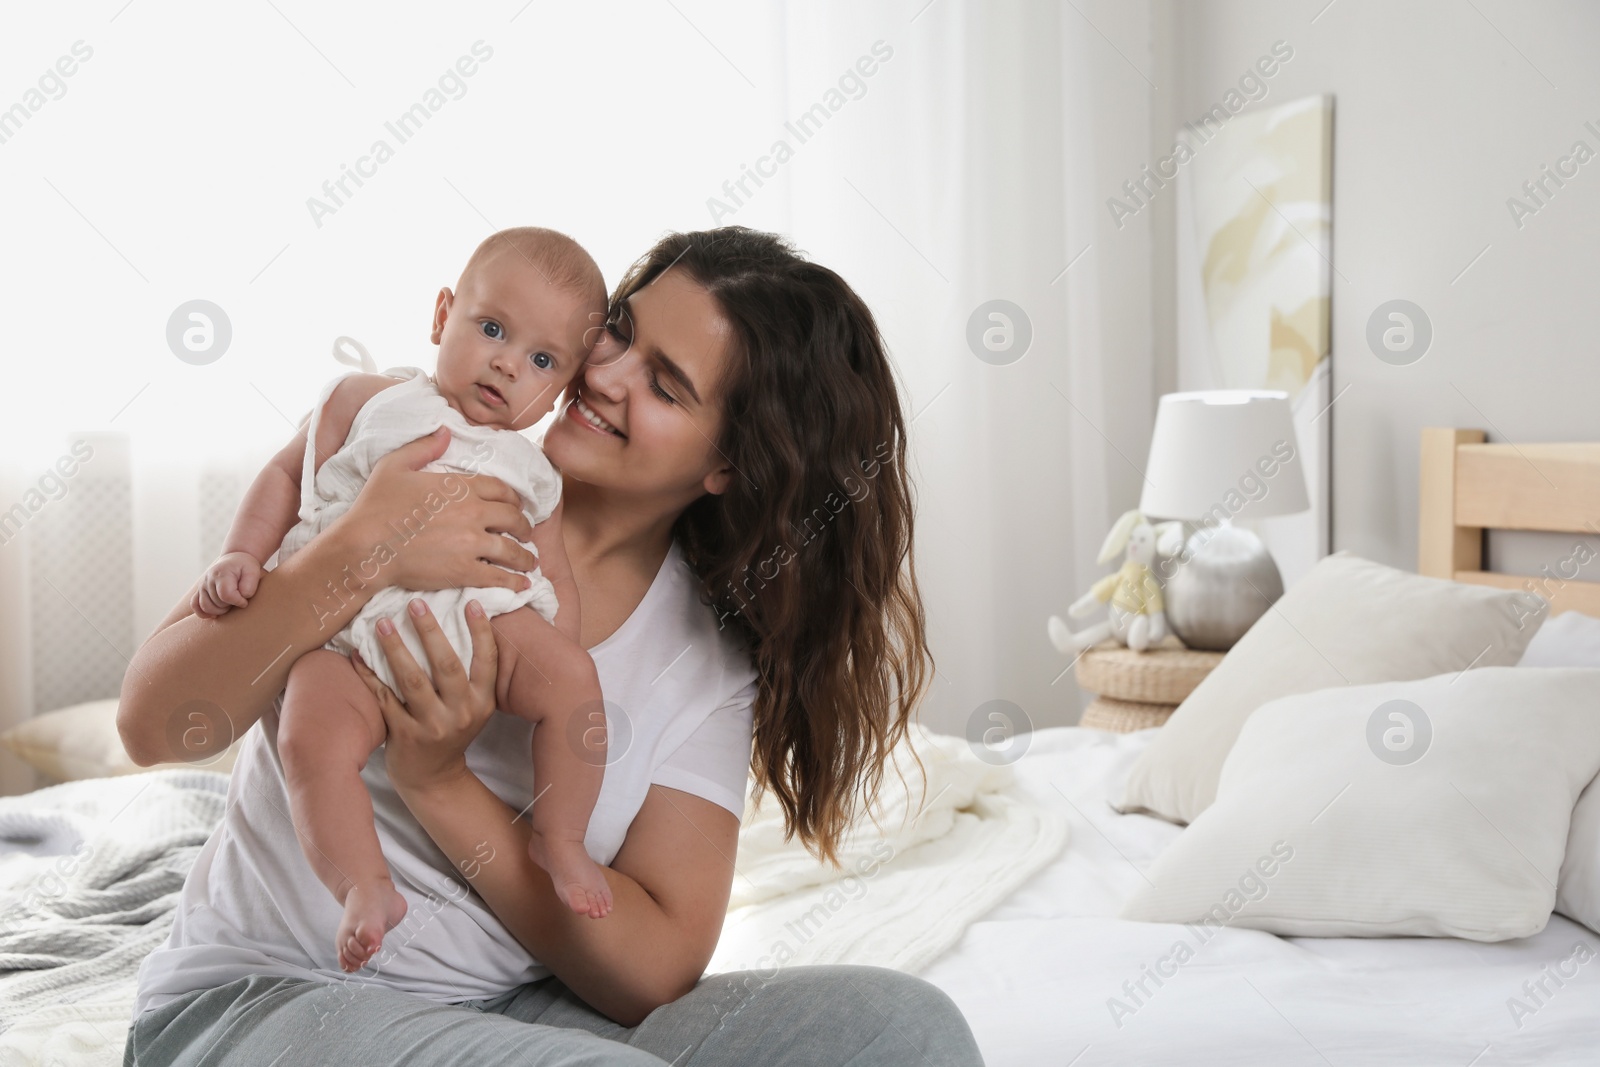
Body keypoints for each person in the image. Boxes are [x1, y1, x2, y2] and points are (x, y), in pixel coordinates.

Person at [117, 226, 987, 1066]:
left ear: (728, 463)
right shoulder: (425, 458)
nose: (601, 374)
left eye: (666, 384)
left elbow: (655, 966)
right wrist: (355, 556)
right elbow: (154, 727)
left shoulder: (707, 654)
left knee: (903, 1030)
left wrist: (439, 780)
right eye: (619, 332)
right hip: (270, 996)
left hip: (512, 1009)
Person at [191, 226, 617, 974]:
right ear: (441, 314)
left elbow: (553, 578)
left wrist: (556, 654)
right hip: (348, 634)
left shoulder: (534, 472)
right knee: (306, 740)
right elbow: (287, 477)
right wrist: (241, 553)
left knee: (579, 683)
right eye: (492, 328)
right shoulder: (368, 400)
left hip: (483, 626)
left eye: (542, 360)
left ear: (562, 390)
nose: (507, 363)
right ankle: (364, 885)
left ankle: (561, 836)